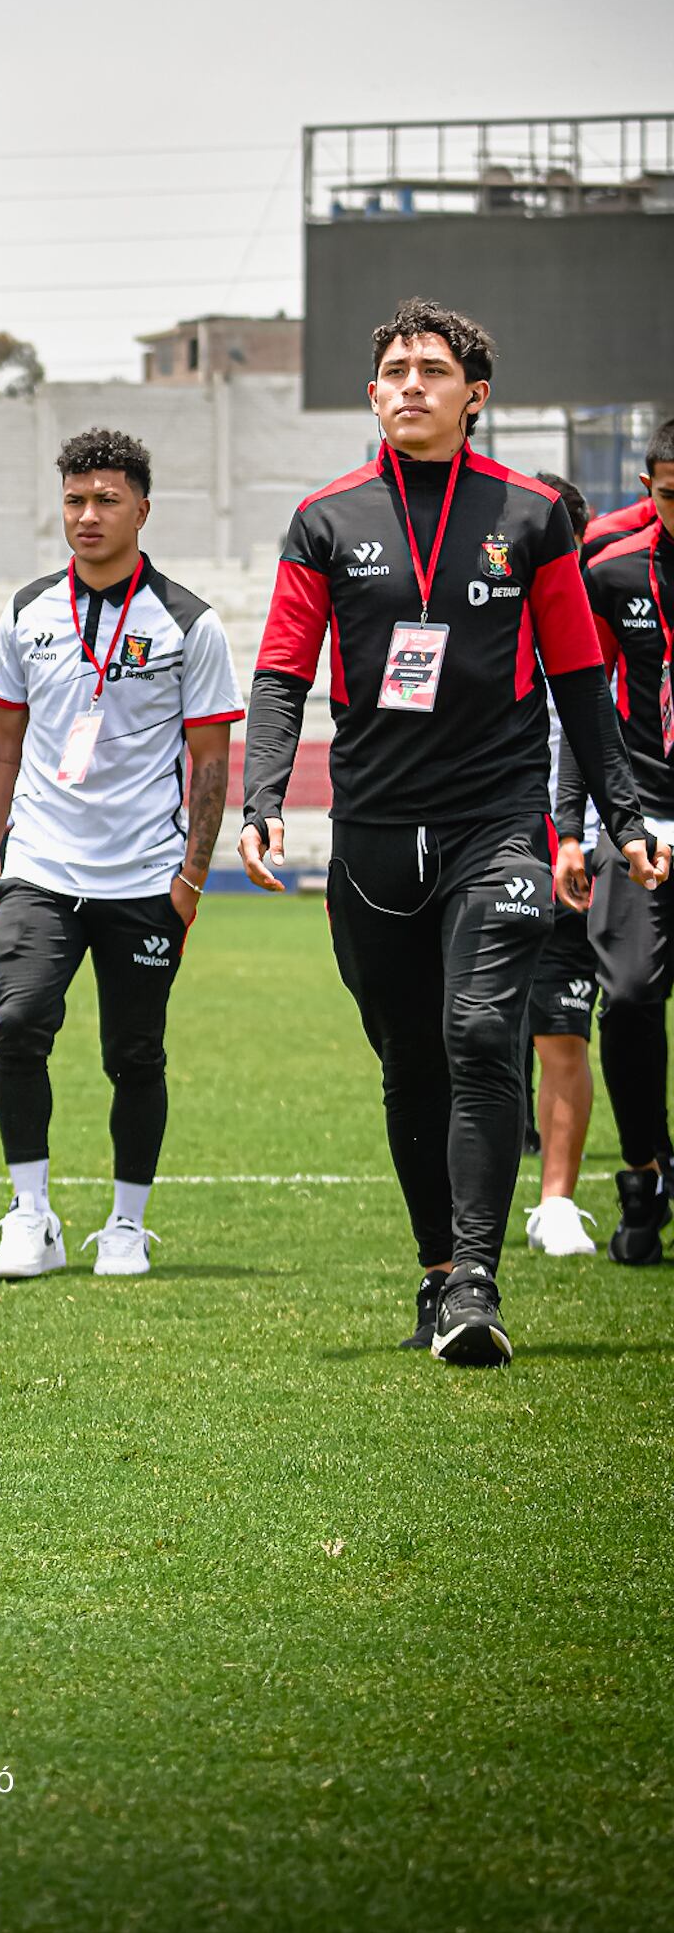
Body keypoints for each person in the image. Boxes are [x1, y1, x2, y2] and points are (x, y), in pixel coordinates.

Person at [240, 298, 663, 1366]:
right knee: (407, 1062)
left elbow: (577, 678)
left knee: (480, 1031)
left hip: (496, 821)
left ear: (472, 397)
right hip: (371, 834)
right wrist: (256, 803)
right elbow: (282, 673)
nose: (409, 383)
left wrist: (621, 812)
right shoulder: (322, 518)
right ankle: (436, 1270)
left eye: (431, 368)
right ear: (371, 390)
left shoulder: (530, 516)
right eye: (392, 368)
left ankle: (477, 1278)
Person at [0, 430, 240, 1282]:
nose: (87, 517)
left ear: (142, 510)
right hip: (40, 866)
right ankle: (31, 1214)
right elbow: (2, 744)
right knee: (16, 1027)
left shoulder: (189, 623)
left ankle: (127, 1224)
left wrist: (191, 877)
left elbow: (209, 761)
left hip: (143, 878)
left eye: (106, 501)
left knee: (135, 1054)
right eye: (75, 500)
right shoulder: (26, 611)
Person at [557, 414, 674, 1264]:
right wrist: (570, 824)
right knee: (630, 997)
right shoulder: (612, 575)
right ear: (648, 491)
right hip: (644, 824)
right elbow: (581, 706)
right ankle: (643, 1175)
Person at [522, 473, 600, 1257]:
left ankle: (557, 1201)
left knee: (561, 1034)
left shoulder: (594, 628)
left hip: (567, 853)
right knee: (457, 1035)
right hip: (484, 845)